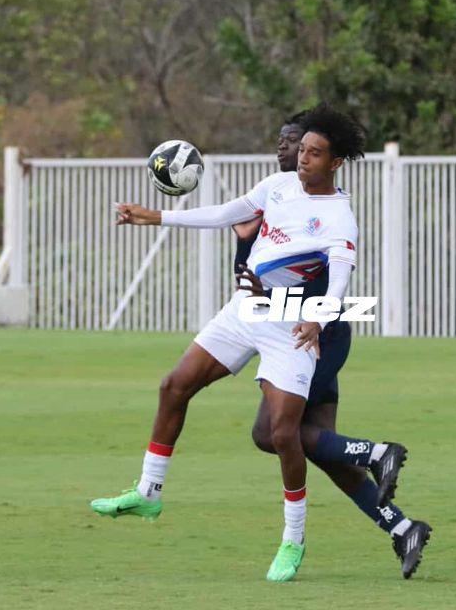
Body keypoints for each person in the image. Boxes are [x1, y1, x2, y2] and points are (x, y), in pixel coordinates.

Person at [89, 104, 394, 582]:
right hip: (245, 312)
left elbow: (339, 280)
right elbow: (226, 215)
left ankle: (293, 541)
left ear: (335, 162)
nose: (303, 159)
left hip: (290, 329)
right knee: (174, 385)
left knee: (281, 436)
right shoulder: (277, 186)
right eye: (304, 150)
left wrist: (319, 319)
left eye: (315, 153)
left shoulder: (339, 219)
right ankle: (148, 492)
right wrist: (156, 217)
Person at [233, 111, 431, 579]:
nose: (286, 150)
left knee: (270, 434)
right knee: (321, 449)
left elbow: (325, 282)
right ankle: (404, 528)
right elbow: (255, 277)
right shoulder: (279, 198)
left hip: (315, 333)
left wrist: (304, 314)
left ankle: (377, 453)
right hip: (294, 330)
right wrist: (245, 245)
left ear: (325, 157)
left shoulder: (326, 211)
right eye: (285, 143)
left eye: (296, 143)